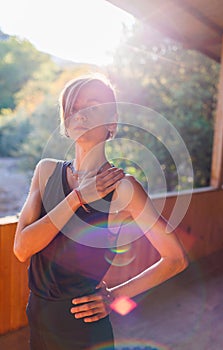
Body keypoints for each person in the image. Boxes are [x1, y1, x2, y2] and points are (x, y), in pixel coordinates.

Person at [13, 74, 188, 350]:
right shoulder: (45, 171)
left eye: (92, 107)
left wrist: (116, 297)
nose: (80, 115)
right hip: (37, 317)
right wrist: (78, 198)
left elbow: (176, 258)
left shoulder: (123, 189)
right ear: (66, 122)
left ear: (112, 123)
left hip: (85, 329)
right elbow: (22, 249)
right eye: (73, 108)